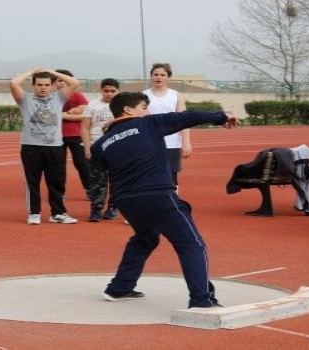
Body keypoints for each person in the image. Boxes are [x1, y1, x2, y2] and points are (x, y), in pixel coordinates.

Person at [91, 92, 238, 308]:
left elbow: (100, 169)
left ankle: (119, 288)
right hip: (158, 196)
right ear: (128, 110)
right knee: (191, 244)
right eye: (143, 106)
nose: (147, 111)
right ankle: (202, 300)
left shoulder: (101, 144)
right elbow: (190, 116)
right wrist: (222, 117)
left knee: (145, 238)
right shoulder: (150, 124)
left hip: (126, 201)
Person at [10, 67, 80, 225]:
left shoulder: (59, 98)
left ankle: (58, 213)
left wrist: (52, 72)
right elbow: (14, 83)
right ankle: (34, 213)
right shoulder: (25, 99)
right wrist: (32, 71)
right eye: (39, 84)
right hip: (31, 146)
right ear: (33, 85)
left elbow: (75, 82)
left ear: (52, 85)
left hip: (55, 146)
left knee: (57, 181)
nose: (43, 88)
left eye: (47, 84)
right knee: (32, 181)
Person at [143, 63, 190, 190]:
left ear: (168, 77)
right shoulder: (143, 96)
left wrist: (186, 142)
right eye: (155, 74)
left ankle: (173, 203)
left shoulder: (176, 96)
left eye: (162, 75)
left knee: (171, 176)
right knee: (149, 174)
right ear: (151, 76)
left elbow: (184, 120)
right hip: (149, 142)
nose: (159, 77)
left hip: (172, 142)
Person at [80, 78, 120, 222]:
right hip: (96, 147)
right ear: (101, 91)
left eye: (113, 91)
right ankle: (96, 209)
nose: (109, 94)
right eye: (106, 91)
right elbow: (84, 127)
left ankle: (112, 208)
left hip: (116, 149)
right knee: (97, 181)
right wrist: (87, 148)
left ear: (118, 91)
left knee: (116, 181)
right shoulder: (92, 105)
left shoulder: (123, 106)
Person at [55, 69, 91, 199]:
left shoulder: (78, 96)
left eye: (65, 80)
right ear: (54, 82)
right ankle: (60, 192)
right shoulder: (51, 97)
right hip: (56, 136)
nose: (62, 83)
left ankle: (90, 189)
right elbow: (51, 117)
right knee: (58, 165)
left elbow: (85, 116)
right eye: (59, 80)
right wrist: (72, 112)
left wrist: (64, 115)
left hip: (76, 134)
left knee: (82, 163)